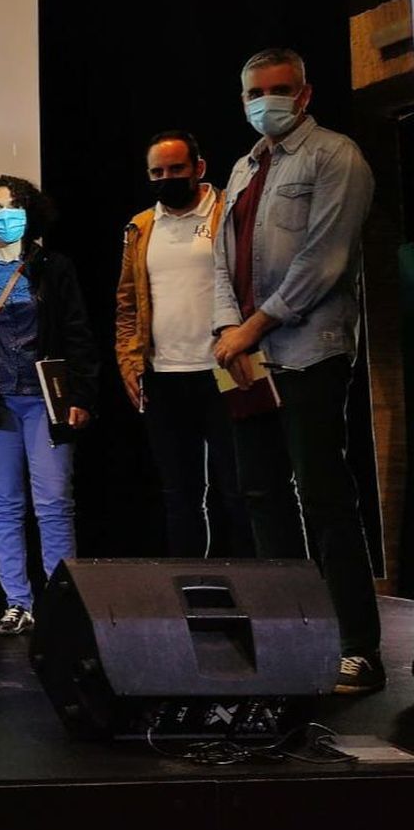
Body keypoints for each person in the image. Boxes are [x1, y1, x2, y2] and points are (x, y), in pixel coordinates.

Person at [211, 47, 383, 694]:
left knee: (323, 494)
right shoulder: (243, 167)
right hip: (245, 357)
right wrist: (228, 332)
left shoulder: (336, 156)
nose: (267, 102)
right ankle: (288, 637)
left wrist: (253, 325)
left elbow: (325, 259)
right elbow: (220, 260)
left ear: (304, 94)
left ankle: (357, 648)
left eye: (279, 89)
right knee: (261, 494)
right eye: (255, 92)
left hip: (310, 349)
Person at [0, 176, 97, 636]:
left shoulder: (55, 267)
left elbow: (77, 333)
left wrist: (82, 395)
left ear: (30, 213)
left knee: (53, 502)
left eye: (12, 206)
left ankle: (60, 602)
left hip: (46, 400)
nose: (3, 215)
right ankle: (17, 602)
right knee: (4, 504)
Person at [115, 130, 252, 559]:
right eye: (157, 172)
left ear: (199, 168)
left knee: (240, 490)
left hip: (225, 371)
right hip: (164, 376)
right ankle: (193, 585)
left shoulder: (229, 211)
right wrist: (129, 363)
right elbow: (126, 304)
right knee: (180, 495)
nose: (166, 179)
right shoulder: (141, 226)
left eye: (176, 169)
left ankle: (255, 585)